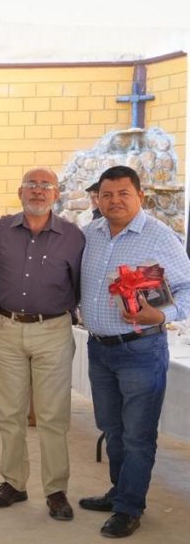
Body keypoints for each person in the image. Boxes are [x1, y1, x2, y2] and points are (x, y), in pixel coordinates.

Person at [78, 165, 190, 538]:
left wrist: (163, 314)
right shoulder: (89, 234)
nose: (114, 201)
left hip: (141, 350)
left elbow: (187, 287)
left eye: (123, 193)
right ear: (97, 198)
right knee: (112, 428)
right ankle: (119, 491)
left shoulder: (160, 236)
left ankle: (129, 507)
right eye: (106, 194)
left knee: (138, 435)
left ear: (140, 195)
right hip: (99, 348)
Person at [0, 168, 84, 519]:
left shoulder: (74, 236)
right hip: (7, 328)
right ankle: (14, 483)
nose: (38, 191)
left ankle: (56, 490)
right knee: (10, 413)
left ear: (56, 194)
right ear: (20, 191)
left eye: (46, 186)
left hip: (53, 329)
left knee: (52, 416)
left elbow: (80, 284)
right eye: (31, 185)